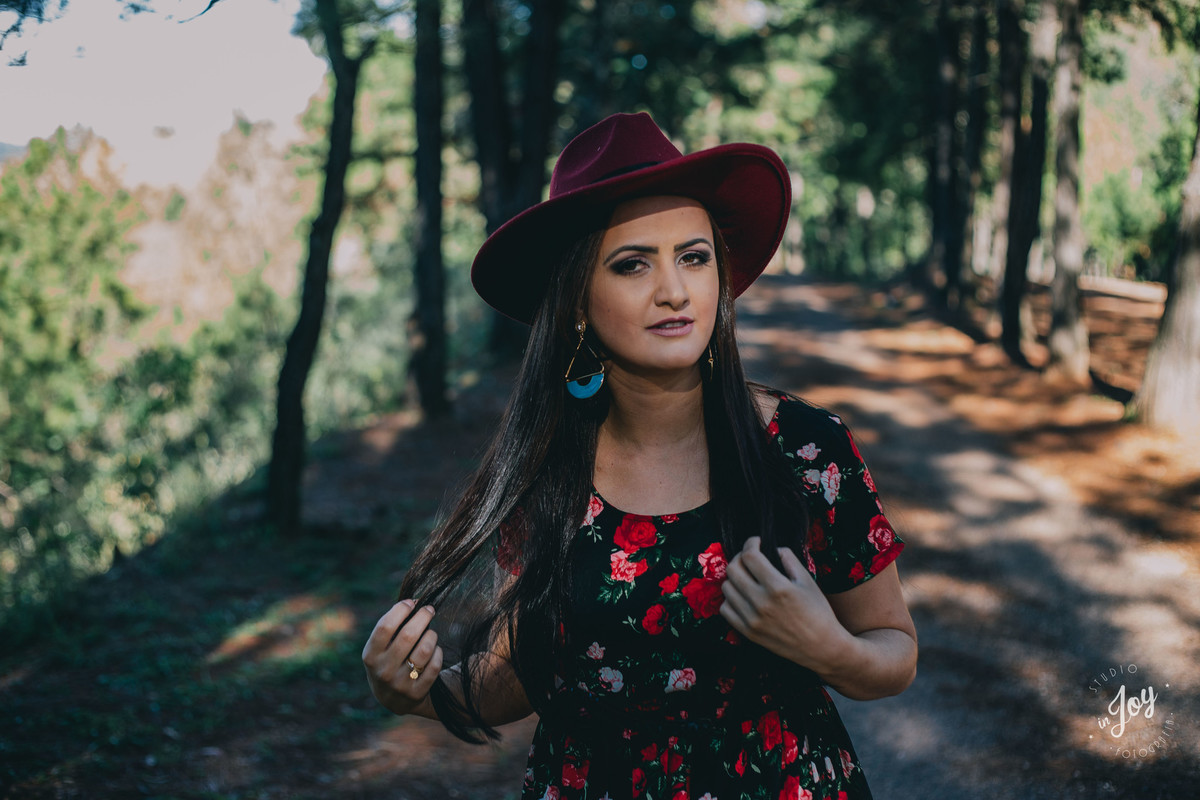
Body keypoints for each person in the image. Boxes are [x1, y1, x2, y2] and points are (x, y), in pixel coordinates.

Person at [362, 112, 917, 800]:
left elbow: (894, 650)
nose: (674, 290)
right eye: (632, 264)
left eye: (694, 257)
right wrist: (420, 692)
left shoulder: (806, 447)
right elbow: (521, 676)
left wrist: (828, 648)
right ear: (577, 301)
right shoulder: (547, 469)